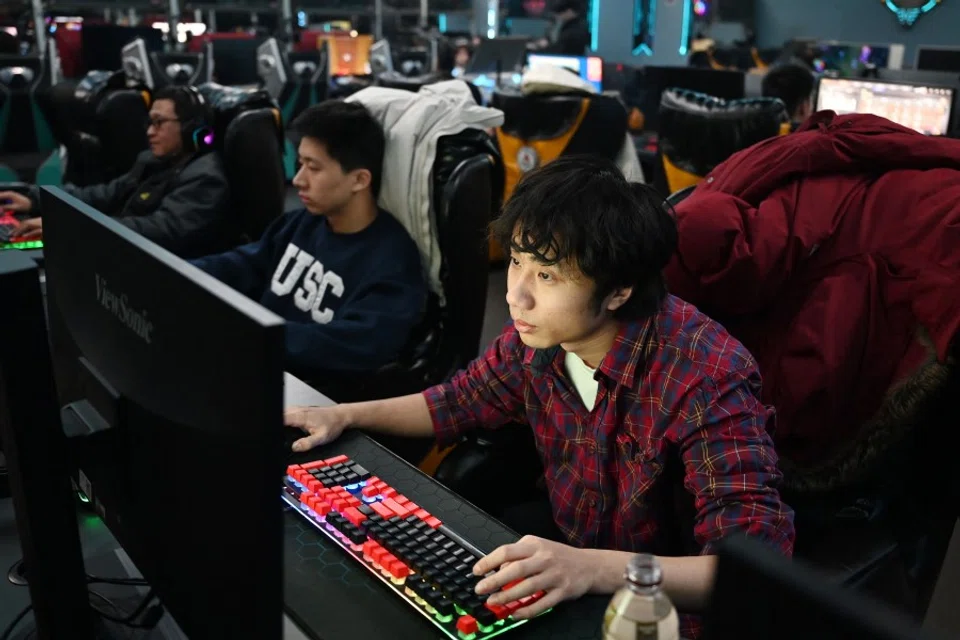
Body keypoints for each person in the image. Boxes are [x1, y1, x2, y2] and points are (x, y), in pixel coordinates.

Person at [284, 156, 796, 638]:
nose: (515, 295)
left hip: (656, 611)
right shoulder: (538, 341)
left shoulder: (705, 380)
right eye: (516, 264)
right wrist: (340, 415)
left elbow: (753, 572)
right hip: (569, 569)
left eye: (547, 276)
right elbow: (453, 403)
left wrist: (593, 569)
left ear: (618, 290)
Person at [190, 100, 427, 381]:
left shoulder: (393, 263)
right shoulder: (303, 222)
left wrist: (248, 332)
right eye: (300, 164)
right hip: (253, 366)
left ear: (360, 180)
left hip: (307, 400)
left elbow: (351, 345)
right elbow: (246, 263)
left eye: (313, 168)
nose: (299, 180)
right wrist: (179, 273)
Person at [1, 85, 233, 259]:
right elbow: (101, 194)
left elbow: (158, 231)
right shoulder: (154, 162)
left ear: (192, 129)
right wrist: (35, 199)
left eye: (159, 123)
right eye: (149, 123)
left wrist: (69, 225)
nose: (150, 132)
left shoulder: (205, 179)